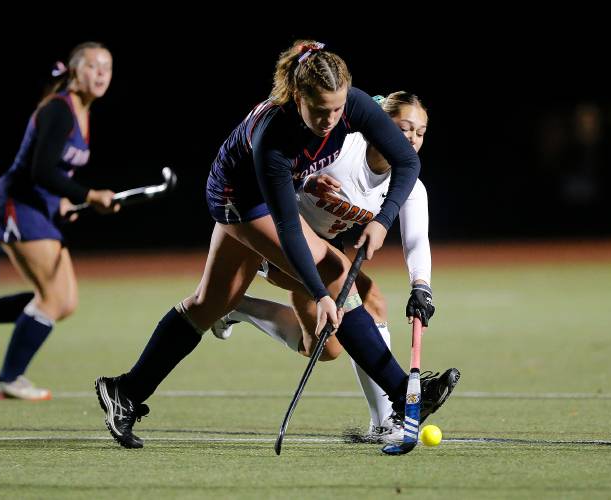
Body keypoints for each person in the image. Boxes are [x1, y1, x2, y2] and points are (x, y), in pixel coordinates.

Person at [96, 40, 435, 449]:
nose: (331, 119)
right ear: (298, 97)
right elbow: (289, 227)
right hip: (237, 197)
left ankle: (125, 391)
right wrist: (318, 294)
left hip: (267, 193)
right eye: (320, 111)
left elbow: (408, 162)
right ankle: (405, 394)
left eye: (338, 109)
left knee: (208, 304)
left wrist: (382, 221)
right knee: (334, 274)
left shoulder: (353, 104)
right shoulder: (273, 134)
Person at [212, 92, 460, 443]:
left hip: (324, 253)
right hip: (280, 240)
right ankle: (385, 421)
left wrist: (421, 286)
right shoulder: (343, 149)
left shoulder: (409, 184)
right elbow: (275, 170)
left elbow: (417, 239)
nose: (412, 140)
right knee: (370, 299)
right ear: (380, 123)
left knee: (323, 347)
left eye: (420, 133)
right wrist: (304, 182)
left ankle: (238, 307)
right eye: (404, 129)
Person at [0, 41, 118, 400]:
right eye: (93, 66)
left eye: (107, 67)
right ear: (74, 71)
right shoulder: (60, 109)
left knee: (64, 301)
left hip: (38, 205)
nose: (101, 74)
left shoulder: (84, 113)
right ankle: (8, 378)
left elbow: (53, 171)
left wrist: (63, 202)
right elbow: (40, 170)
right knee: (52, 298)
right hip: (16, 203)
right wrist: (87, 195)